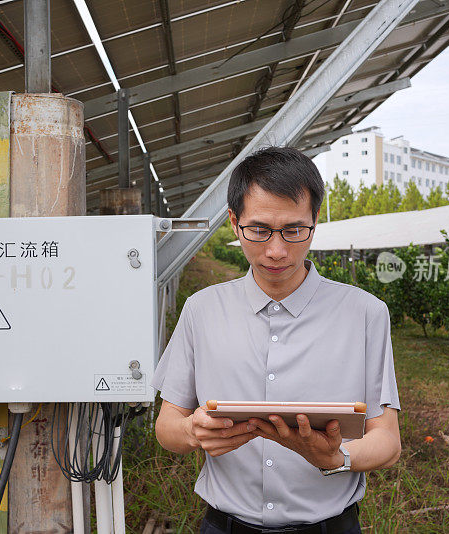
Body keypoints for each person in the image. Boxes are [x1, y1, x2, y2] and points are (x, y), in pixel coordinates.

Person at [152, 146, 401, 533]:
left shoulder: (365, 314)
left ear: (315, 219)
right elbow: (167, 424)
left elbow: (386, 438)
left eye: (294, 230)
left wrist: (337, 457)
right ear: (234, 222)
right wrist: (191, 432)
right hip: (226, 525)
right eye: (260, 230)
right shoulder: (202, 311)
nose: (277, 250)